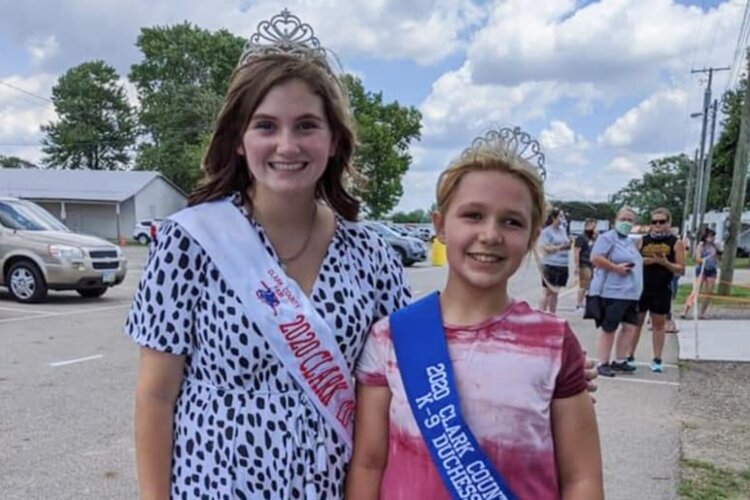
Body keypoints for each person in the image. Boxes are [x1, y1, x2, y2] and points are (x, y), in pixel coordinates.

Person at [124, 11, 412, 499]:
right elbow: (155, 396)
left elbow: (406, 384)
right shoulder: (188, 243)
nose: (286, 145)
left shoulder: (374, 257)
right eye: (265, 126)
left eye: (306, 126)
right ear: (239, 139)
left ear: (334, 139)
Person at [346, 130, 603, 499]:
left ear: (531, 237)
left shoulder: (553, 341)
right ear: (440, 226)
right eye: (473, 215)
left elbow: (582, 478)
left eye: (511, 222)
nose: (490, 234)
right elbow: (369, 464)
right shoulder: (391, 339)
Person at [589, 207, 643, 377]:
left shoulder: (629, 241)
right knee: (609, 327)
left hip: (630, 293)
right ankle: (602, 362)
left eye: (630, 220)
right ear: (615, 220)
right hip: (613, 292)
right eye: (624, 219)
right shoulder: (607, 238)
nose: (626, 223)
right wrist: (615, 268)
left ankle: (619, 360)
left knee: (629, 327)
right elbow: (595, 258)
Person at [629, 208, 685, 373]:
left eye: (662, 222)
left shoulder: (675, 242)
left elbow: (680, 269)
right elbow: (633, 262)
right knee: (636, 323)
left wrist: (664, 263)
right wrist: (644, 261)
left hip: (661, 289)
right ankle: (629, 355)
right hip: (641, 288)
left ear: (669, 223)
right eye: (655, 222)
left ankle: (657, 358)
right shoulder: (642, 240)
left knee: (658, 325)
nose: (658, 225)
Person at [539, 207, 571, 313]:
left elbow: (567, 242)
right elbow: (545, 248)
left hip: (562, 264)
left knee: (556, 291)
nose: (562, 219)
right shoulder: (547, 232)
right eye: (560, 216)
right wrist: (561, 247)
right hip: (551, 264)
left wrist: (568, 244)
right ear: (553, 217)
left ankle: (552, 314)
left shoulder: (563, 230)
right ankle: (542, 313)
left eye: (563, 216)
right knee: (547, 290)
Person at [682, 227, 719, 319]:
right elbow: (697, 259)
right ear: (706, 237)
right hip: (701, 270)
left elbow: (718, 258)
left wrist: (718, 252)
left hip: (712, 270)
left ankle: (702, 313)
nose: (712, 238)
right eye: (711, 236)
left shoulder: (714, 246)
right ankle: (685, 311)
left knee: (709, 292)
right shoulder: (701, 245)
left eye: (713, 236)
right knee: (695, 291)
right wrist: (704, 260)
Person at [574, 218, 597, 313]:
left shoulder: (592, 238)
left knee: (590, 286)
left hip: (591, 264)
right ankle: (579, 305)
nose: (594, 228)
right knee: (583, 285)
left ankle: (587, 305)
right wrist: (577, 265)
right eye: (593, 226)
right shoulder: (581, 237)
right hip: (584, 263)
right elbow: (576, 252)